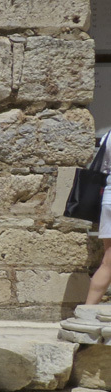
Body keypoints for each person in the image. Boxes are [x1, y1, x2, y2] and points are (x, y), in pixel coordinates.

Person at [84, 130, 111, 305]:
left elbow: (102, 167)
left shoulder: (108, 135)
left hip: (108, 199)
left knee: (108, 261)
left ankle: (87, 310)